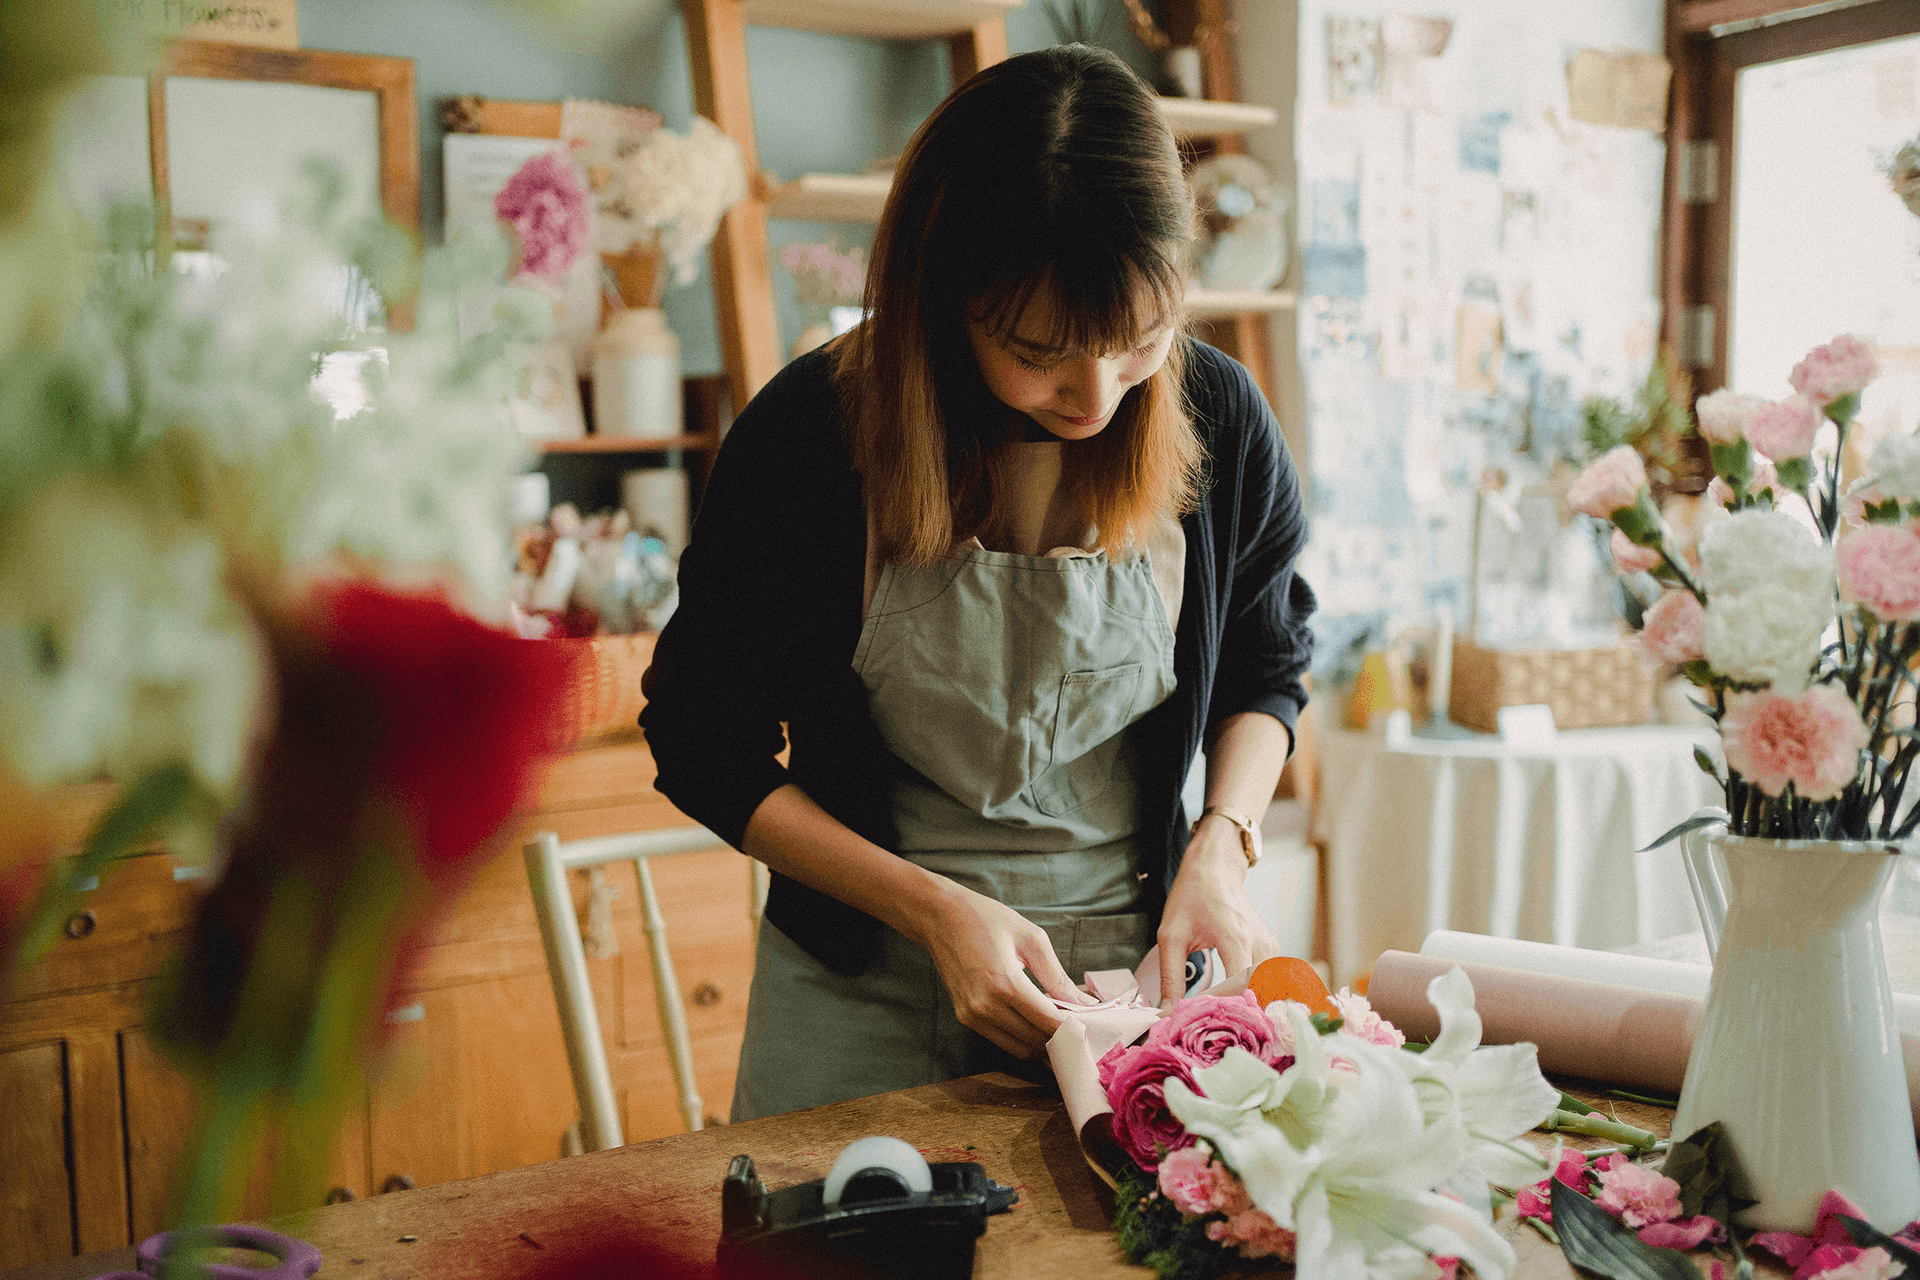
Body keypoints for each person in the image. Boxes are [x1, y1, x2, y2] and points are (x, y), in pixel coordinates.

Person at [638, 43, 1315, 1123]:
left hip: (1129, 977)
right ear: (945, 297)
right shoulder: (813, 435)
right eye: (1040, 348)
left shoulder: (1221, 419)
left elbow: (1267, 669)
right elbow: (699, 738)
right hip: (863, 970)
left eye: (1139, 339)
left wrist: (1221, 850)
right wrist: (933, 908)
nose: (1094, 394)